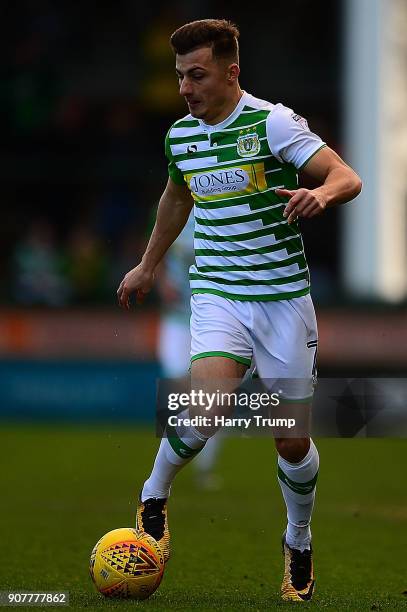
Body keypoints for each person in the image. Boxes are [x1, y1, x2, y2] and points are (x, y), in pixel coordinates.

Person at [117, 19, 362, 602]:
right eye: (180, 76)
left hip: (283, 304)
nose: (185, 87)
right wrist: (148, 264)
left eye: (196, 75)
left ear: (232, 73)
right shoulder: (181, 136)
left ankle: (298, 537)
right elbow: (177, 195)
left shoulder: (272, 122)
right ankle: (153, 497)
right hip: (218, 294)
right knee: (205, 408)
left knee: (290, 441)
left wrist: (320, 193)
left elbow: (346, 176)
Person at [156, 211, 224, 491]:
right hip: (176, 319)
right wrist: (161, 281)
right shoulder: (172, 204)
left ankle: (204, 467)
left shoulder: (224, 205)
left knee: (214, 396)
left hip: (213, 319)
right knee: (178, 389)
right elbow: (155, 245)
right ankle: (167, 471)